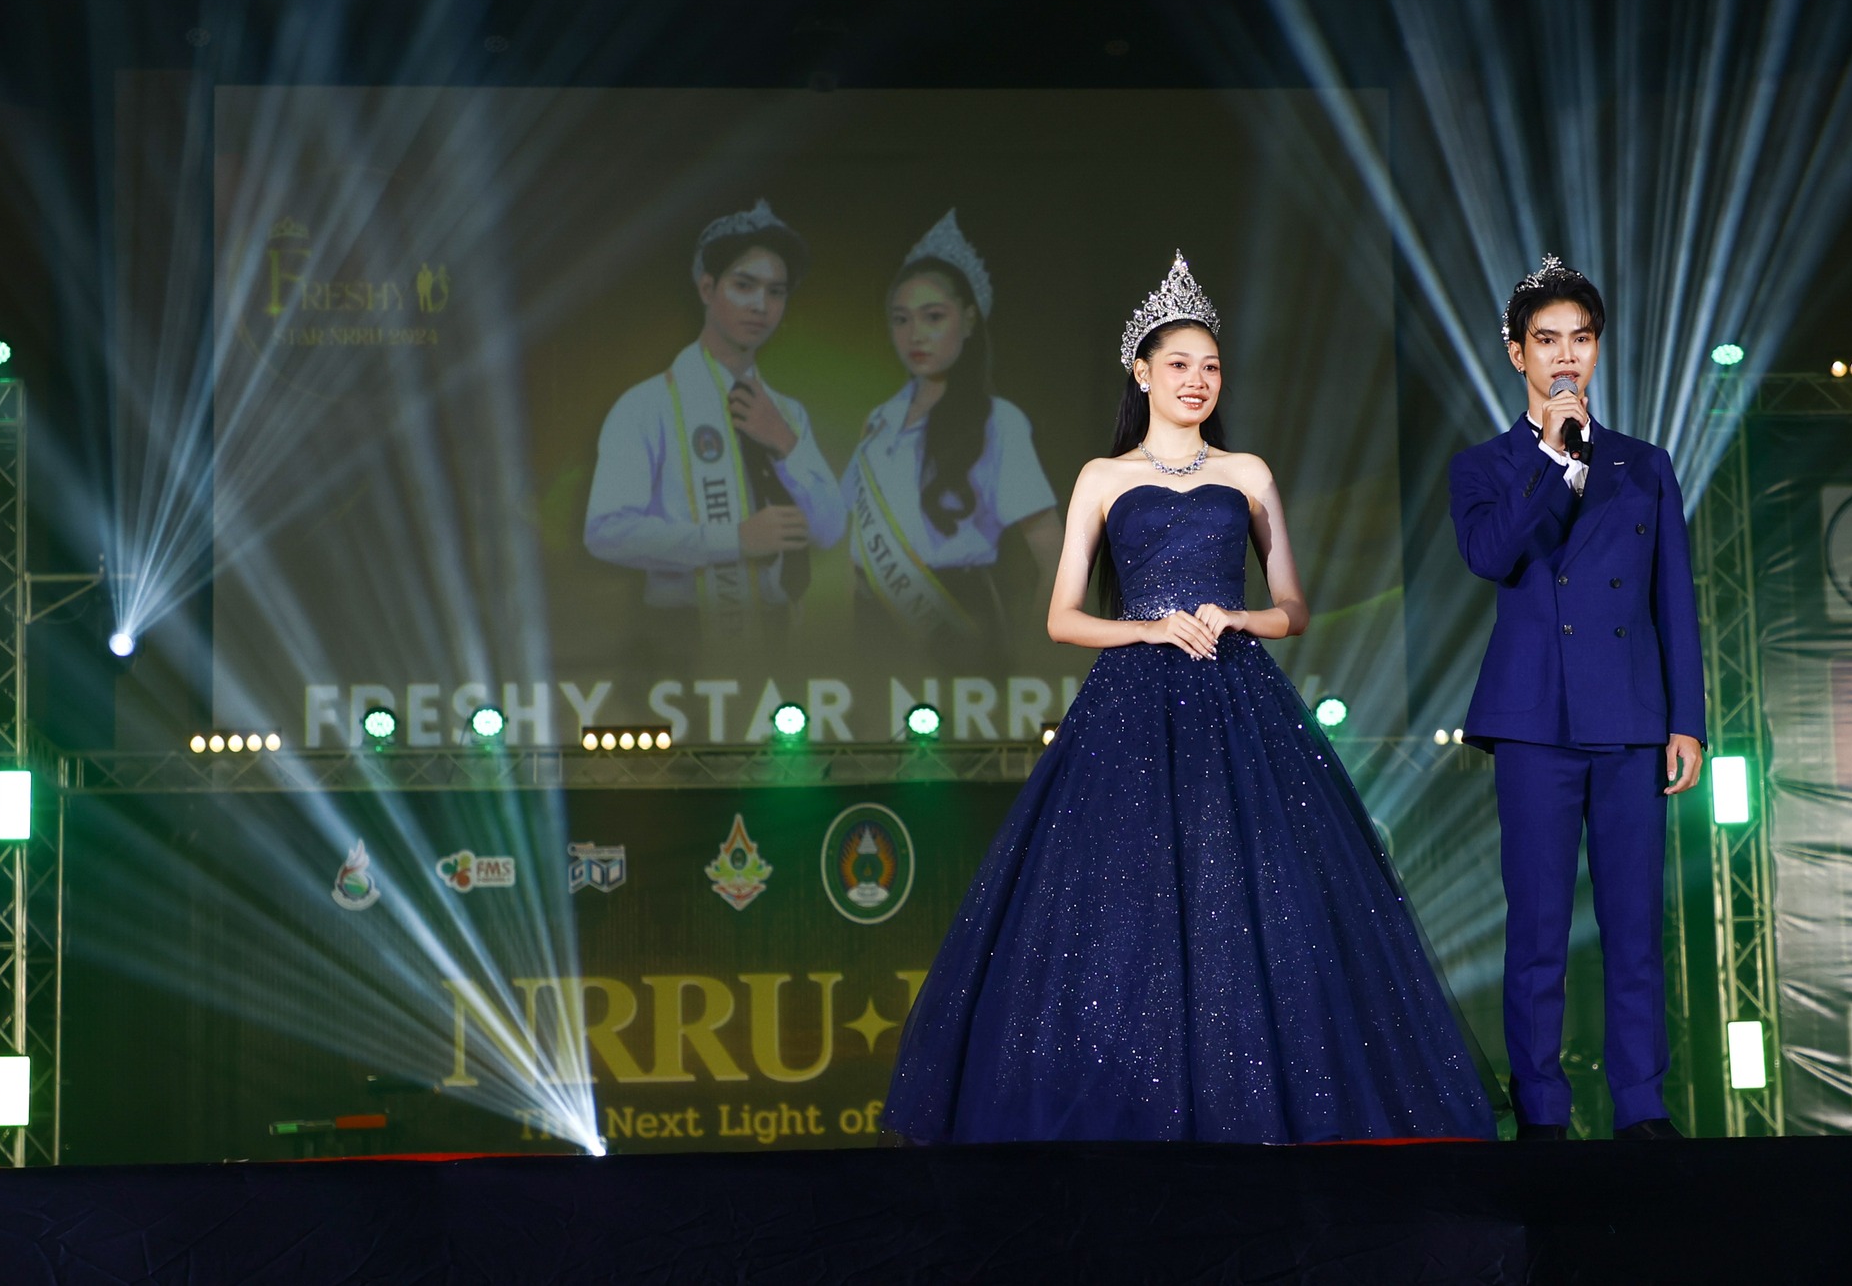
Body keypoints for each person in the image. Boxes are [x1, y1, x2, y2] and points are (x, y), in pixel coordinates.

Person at [882, 253, 1496, 1144]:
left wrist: (1237, 616)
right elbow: (1061, 617)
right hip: (1132, 701)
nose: (1197, 380)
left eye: (1210, 366)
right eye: (1178, 364)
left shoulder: (1248, 472)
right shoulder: (1101, 477)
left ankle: (1260, 1108)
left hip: (1235, 695)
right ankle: (1134, 1108)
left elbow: (1293, 608)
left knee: (1250, 896)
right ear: (1141, 373)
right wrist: (1148, 627)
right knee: (1126, 897)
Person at [1447, 255, 1707, 1141]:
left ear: (1597, 350)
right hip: (1534, 722)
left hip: (1631, 718)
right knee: (1538, 930)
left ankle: (1642, 1106)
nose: (1566, 356)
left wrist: (1685, 719)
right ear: (1516, 352)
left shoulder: (1646, 464)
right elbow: (1490, 555)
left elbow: (1674, 597)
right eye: (1547, 339)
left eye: (1581, 339)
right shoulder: (1485, 466)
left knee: (1635, 926)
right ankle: (1542, 1111)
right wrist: (1552, 455)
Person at [584, 199, 845, 644]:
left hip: (782, 638)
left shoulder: (786, 413)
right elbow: (605, 532)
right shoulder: (648, 405)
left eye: (776, 292)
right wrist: (733, 540)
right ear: (707, 288)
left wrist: (785, 443)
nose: (760, 305)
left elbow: (829, 530)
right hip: (685, 640)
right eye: (744, 285)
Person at [842, 209, 1062, 647]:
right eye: (901, 319)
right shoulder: (879, 421)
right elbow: (855, 544)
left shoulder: (999, 422)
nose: (915, 335)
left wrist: (1036, 653)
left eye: (933, 317)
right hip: (875, 624)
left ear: (969, 319)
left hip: (959, 619)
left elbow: (1054, 556)